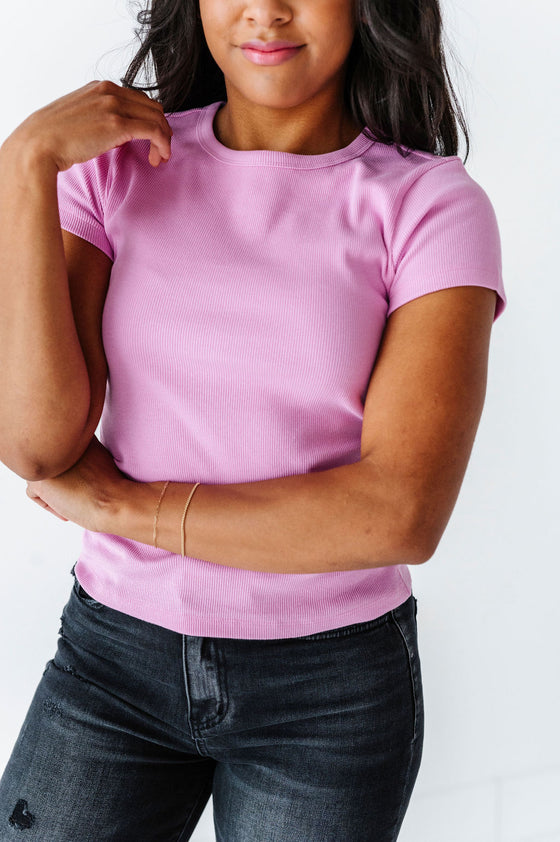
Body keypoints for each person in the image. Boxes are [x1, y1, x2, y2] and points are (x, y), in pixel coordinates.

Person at [0, 0, 506, 839]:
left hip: (327, 691)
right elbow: (35, 442)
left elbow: (401, 512)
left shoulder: (431, 206)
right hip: (113, 662)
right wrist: (23, 168)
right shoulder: (116, 170)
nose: (264, 11)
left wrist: (126, 507)